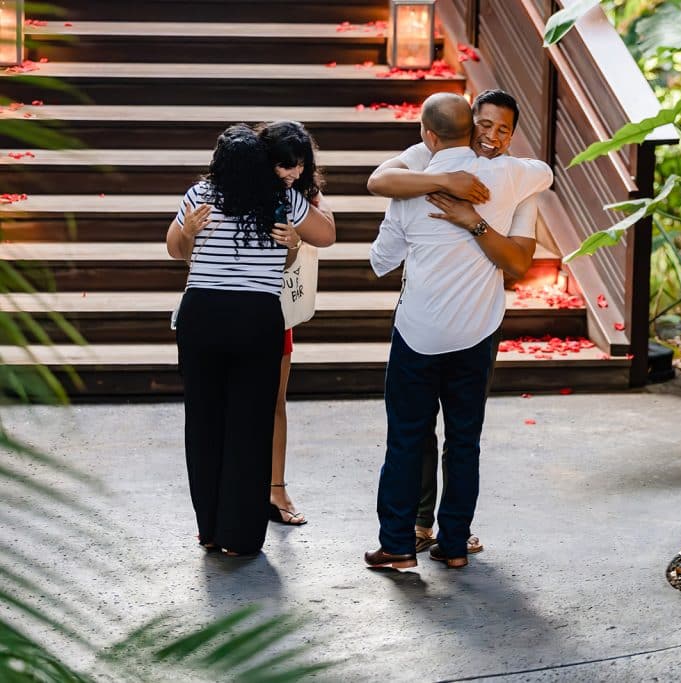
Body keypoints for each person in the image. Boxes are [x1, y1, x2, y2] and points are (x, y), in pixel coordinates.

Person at [363, 93, 552, 569]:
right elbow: (545, 173)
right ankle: (453, 547)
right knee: (463, 440)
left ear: (430, 134)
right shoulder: (513, 178)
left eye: (501, 129)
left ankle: (399, 544)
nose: (491, 136)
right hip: (477, 330)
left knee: (406, 436)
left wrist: (445, 217)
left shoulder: (408, 189)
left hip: (419, 330)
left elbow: (380, 261)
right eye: (484, 126)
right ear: (469, 127)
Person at [167, 124, 335, 557]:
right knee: (250, 426)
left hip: (201, 316)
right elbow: (328, 236)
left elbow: (174, 249)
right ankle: (239, 537)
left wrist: (188, 231)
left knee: (203, 424)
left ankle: (208, 528)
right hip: (255, 319)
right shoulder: (280, 198)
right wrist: (296, 235)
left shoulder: (200, 194)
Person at [256, 120, 331, 527]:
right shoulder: (236, 190)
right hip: (238, 302)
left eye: (300, 166)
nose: (294, 173)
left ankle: (276, 486)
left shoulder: (300, 194)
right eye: (285, 165)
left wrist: (313, 196)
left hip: (277, 302)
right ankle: (250, 487)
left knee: (275, 400)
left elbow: (329, 232)